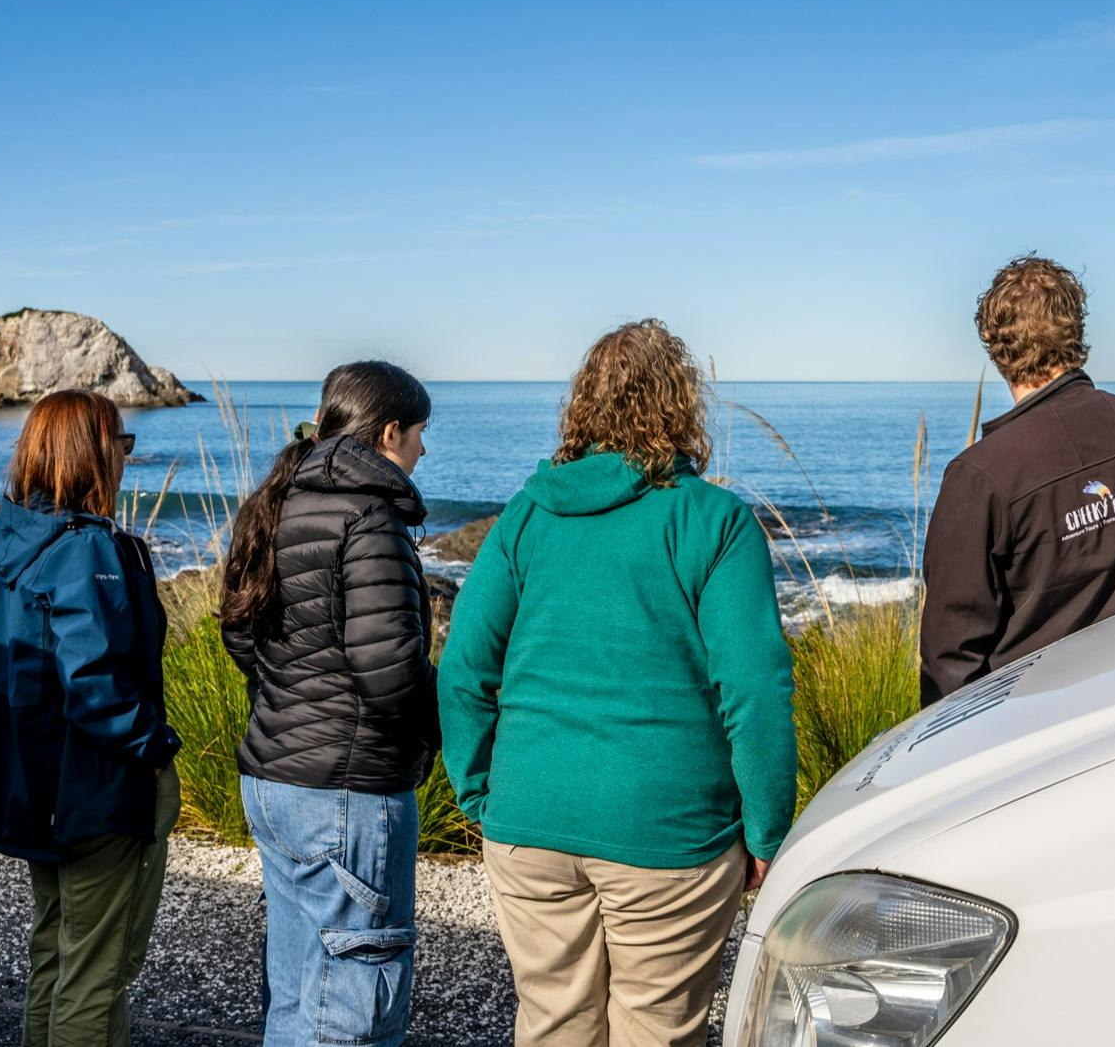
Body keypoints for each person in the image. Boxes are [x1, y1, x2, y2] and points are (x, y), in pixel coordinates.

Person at [439, 320, 796, 1047]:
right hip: (668, 834)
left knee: (553, 1027)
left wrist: (483, 793)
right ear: (682, 404)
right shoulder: (713, 520)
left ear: (582, 408)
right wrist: (766, 829)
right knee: (656, 1033)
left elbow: (462, 670)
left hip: (530, 820)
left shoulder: (526, 515)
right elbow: (755, 692)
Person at [219, 360, 438, 1047]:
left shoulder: (278, 498)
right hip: (344, 793)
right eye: (420, 434)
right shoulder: (371, 515)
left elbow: (237, 623)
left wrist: (285, 695)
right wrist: (432, 739)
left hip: (275, 780)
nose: (424, 452)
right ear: (390, 431)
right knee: (346, 1013)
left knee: (298, 995)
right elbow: (390, 669)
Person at [921, 254, 1115, 706]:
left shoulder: (980, 478)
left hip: (1053, 738)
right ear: (1075, 330)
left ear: (992, 342)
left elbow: (951, 663)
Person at [0, 389, 183, 1047]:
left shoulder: (17, 541)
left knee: (57, 954)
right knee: (98, 970)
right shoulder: (87, 552)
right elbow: (94, 685)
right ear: (93, 456)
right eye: (121, 445)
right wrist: (157, 746)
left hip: (34, 789)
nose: (125, 458)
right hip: (94, 792)